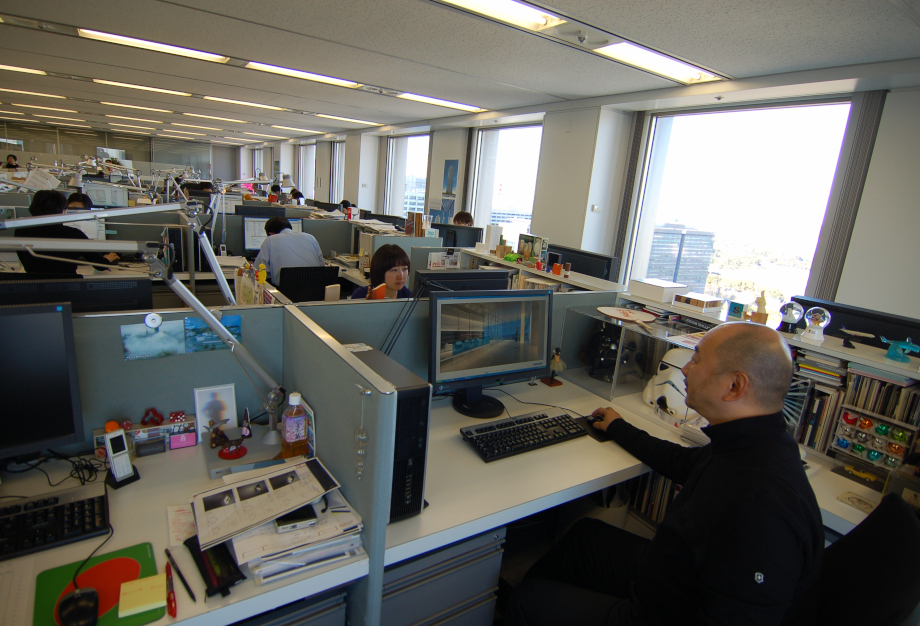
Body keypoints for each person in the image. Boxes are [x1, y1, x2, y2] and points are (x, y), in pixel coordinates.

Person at [507, 322, 824, 626]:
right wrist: (618, 427)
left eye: (696, 359)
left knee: (528, 600)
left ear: (734, 385)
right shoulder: (753, 439)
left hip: (658, 615)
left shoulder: (760, 507)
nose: (685, 369)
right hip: (668, 574)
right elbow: (683, 463)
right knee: (584, 539)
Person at [14, 190, 118, 274]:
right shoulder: (73, 234)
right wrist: (107, 258)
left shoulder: (20, 231)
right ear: (62, 210)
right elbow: (99, 265)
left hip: (35, 288)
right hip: (67, 288)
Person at [253, 216, 324, 286]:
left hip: (284, 294)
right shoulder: (310, 237)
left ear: (271, 233)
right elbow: (322, 266)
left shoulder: (270, 240)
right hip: (316, 290)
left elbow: (259, 271)